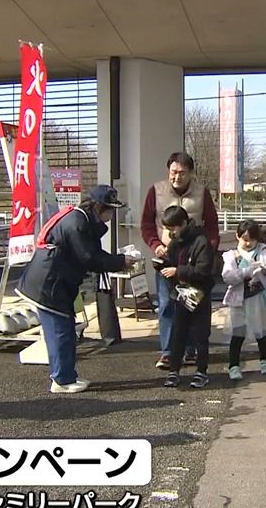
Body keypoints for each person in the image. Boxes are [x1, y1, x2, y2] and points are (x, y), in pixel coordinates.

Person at [18, 185, 135, 394]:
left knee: (63, 329)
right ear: (99, 207)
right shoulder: (77, 223)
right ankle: (62, 380)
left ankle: (65, 376)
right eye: (109, 209)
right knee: (60, 331)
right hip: (48, 283)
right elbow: (89, 257)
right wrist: (121, 261)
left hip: (51, 281)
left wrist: (117, 261)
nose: (111, 214)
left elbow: (91, 254)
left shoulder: (81, 219)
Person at [140, 152, 219, 370]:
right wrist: (156, 244)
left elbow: (212, 224)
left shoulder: (202, 193)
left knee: (192, 303)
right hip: (165, 258)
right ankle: (168, 352)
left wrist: (209, 249)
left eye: (182, 173)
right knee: (166, 304)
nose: (177, 177)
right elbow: (146, 224)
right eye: (173, 172)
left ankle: (190, 350)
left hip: (193, 260)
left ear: (191, 173)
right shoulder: (155, 191)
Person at [159, 205, 216, 389]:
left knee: (200, 334)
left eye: (173, 228)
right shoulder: (176, 242)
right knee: (178, 334)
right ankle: (174, 371)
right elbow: (172, 261)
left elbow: (204, 270)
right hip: (181, 293)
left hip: (199, 293)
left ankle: (201, 371)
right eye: (168, 229)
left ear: (183, 223)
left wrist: (178, 270)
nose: (171, 233)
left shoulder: (201, 241)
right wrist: (163, 264)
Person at [221, 220, 266, 380]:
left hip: (256, 298)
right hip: (238, 300)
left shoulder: (262, 252)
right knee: (238, 332)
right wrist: (247, 271)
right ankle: (233, 366)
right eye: (244, 239)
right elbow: (227, 276)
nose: (248, 243)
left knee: (260, 330)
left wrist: (265, 271)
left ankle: (265, 361)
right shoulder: (231, 256)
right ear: (237, 237)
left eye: (252, 239)